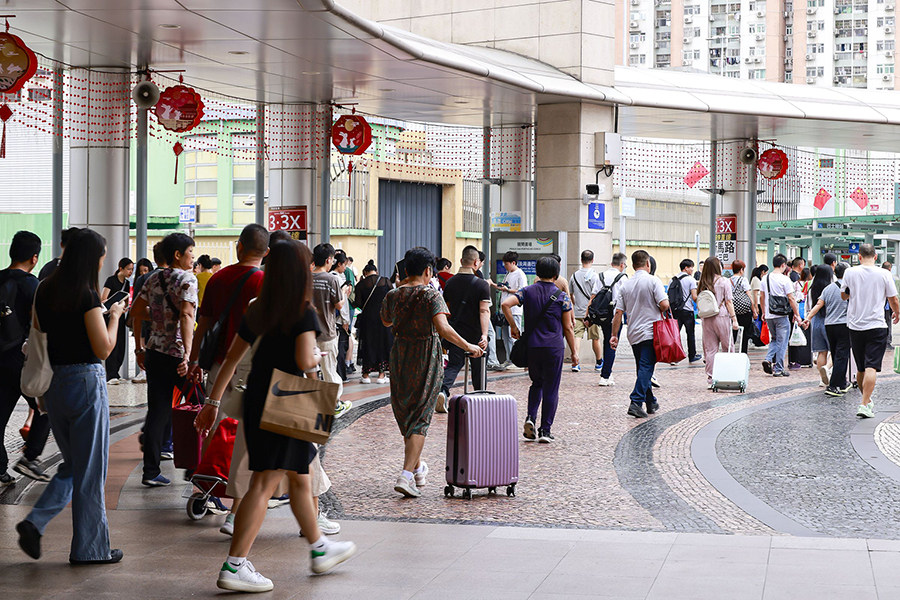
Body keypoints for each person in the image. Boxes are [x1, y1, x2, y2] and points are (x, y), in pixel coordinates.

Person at [194, 240, 357, 592]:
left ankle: (318, 549)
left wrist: (212, 403)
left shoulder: (258, 308)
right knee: (265, 483)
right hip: (289, 400)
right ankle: (235, 566)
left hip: (258, 399)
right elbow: (303, 362)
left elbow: (231, 360)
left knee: (299, 476)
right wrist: (314, 354)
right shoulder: (302, 312)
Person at [16, 228, 126, 564]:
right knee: (91, 471)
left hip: (56, 386)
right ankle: (91, 550)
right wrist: (116, 318)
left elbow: (39, 339)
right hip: (86, 383)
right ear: (91, 258)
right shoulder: (85, 294)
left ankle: (35, 522)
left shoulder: (45, 289)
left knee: (76, 465)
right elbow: (103, 349)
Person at [380, 247, 482, 498]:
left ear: (405, 271)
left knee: (406, 411)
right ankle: (405, 474)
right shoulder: (431, 295)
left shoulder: (393, 295)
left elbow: (386, 321)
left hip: (400, 354)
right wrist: (469, 346)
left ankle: (417, 468)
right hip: (425, 355)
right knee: (420, 415)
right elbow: (443, 328)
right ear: (428, 271)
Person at [188, 224, 268, 536]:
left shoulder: (219, 278)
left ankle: (204, 490)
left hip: (219, 364)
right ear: (266, 252)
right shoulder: (264, 281)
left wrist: (195, 360)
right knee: (245, 438)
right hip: (250, 367)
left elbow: (203, 323)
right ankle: (236, 509)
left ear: (238, 247)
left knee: (213, 427)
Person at [132, 232, 198, 487]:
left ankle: (150, 471)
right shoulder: (187, 279)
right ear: (177, 254)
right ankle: (194, 468)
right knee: (197, 406)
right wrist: (189, 357)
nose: (193, 258)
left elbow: (137, 311)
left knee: (158, 411)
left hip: (154, 352)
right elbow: (186, 317)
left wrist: (140, 346)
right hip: (177, 355)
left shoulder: (153, 278)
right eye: (190, 253)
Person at [502, 256, 575, 443]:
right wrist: (574, 352)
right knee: (551, 388)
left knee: (536, 384)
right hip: (554, 348)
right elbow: (568, 328)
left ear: (537, 272)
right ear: (556, 274)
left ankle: (530, 418)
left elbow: (505, 304)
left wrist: (514, 327)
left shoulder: (527, 291)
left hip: (533, 346)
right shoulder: (562, 296)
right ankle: (545, 431)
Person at [0, 231, 52, 484]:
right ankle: (30, 458)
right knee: (46, 407)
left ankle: (0, 468)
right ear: (34, 258)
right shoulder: (32, 284)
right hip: (21, 359)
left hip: (0, 359)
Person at [841, 244, 899, 418]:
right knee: (871, 366)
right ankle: (864, 404)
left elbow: (844, 295)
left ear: (859, 256)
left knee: (860, 368)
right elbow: (893, 298)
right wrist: (897, 312)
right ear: (875, 257)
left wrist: (855, 293)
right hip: (876, 325)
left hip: (855, 325)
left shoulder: (849, 272)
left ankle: (865, 400)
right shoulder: (884, 274)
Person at [610, 250, 669, 419]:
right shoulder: (653, 281)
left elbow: (618, 313)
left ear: (634, 265)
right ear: (648, 263)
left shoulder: (625, 285)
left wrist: (614, 335)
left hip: (633, 333)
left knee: (642, 367)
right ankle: (636, 402)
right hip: (651, 332)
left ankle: (651, 402)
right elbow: (664, 305)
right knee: (646, 367)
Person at [438, 246, 491, 413]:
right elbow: (484, 310)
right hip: (475, 333)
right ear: (476, 262)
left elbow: (446, 309)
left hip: (456, 333)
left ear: (461, 261)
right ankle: (479, 397)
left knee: (454, 365)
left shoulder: (450, 283)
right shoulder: (482, 285)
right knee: (479, 366)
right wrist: (484, 334)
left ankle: (443, 391)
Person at [311, 244, 352, 417]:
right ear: (329, 260)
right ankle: (334, 405)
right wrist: (345, 294)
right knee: (329, 370)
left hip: (308, 334)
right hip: (327, 333)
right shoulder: (332, 279)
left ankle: (312, 406)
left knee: (310, 372)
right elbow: (338, 304)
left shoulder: (305, 277)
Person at [803, 263, 852, 396]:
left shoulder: (828, 288)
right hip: (844, 324)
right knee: (842, 355)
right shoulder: (850, 288)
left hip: (829, 325)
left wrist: (808, 318)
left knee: (836, 354)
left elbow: (818, 304)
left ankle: (842, 383)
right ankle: (834, 385)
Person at [698, 257, 739, 388]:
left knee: (710, 350)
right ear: (718, 267)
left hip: (707, 317)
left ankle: (711, 379)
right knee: (728, 347)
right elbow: (728, 302)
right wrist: (734, 319)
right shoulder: (724, 281)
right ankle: (729, 375)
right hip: (721, 316)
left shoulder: (702, 282)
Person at [351, 260, 393, 384]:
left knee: (368, 343)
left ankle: (366, 375)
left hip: (367, 319)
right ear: (377, 271)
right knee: (383, 343)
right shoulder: (386, 281)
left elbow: (358, 304)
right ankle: (381, 375)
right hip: (383, 318)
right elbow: (392, 298)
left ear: (364, 273)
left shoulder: (361, 284)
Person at [760, 254, 801, 377]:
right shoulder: (785, 279)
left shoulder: (765, 278)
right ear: (783, 265)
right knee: (782, 342)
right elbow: (791, 298)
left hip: (769, 314)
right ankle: (779, 368)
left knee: (774, 339)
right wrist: (797, 314)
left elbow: (762, 297)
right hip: (781, 315)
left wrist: (763, 312)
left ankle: (768, 359)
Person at [130, 247, 166, 384]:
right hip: (177, 349)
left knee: (157, 393)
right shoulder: (184, 279)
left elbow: (136, 313)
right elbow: (187, 315)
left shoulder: (145, 279)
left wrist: (139, 349)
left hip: (153, 344)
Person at [490, 251, 527, 370]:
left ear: (513, 263)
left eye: (506, 264)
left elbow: (522, 291)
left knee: (513, 336)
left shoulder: (520, 274)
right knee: (506, 336)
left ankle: (515, 360)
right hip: (504, 310)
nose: (505, 266)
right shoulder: (508, 273)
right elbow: (505, 288)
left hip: (514, 310)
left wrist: (508, 290)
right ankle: (508, 358)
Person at [596, 252, 628, 386]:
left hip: (602, 314)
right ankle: (605, 375)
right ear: (622, 264)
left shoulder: (601, 276)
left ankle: (607, 373)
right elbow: (626, 297)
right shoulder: (623, 277)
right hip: (616, 315)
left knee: (606, 341)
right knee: (612, 343)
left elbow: (593, 296)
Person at [568, 249, 602, 373]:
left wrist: (575, 303)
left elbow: (570, 294)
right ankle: (598, 363)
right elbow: (597, 296)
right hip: (591, 314)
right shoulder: (595, 276)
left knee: (577, 337)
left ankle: (575, 363)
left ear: (581, 260)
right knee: (595, 338)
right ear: (592, 260)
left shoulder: (574, 275)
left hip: (577, 312)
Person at [101, 257, 134, 383]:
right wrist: (112, 304)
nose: (130, 272)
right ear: (121, 268)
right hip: (110, 316)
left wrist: (124, 307)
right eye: (128, 269)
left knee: (120, 344)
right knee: (112, 344)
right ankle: (111, 374)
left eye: (132, 269)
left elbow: (125, 299)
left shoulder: (126, 283)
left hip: (120, 315)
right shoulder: (111, 280)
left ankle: (116, 373)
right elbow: (103, 298)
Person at [807, 263, 834, 386]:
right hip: (829, 320)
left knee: (821, 352)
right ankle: (828, 370)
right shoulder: (830, 288)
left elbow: (809, 306)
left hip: (816, 320)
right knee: (835, 350)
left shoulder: (811, 289)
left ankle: (822, 380)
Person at [671, 259, 701, 363]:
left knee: (675, 334)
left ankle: (674, 358)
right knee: (690, 334)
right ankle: (692, 356)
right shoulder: (690, 280)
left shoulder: (673, 279)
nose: (692, 269)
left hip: (676, 311)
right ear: (686, 268)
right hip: (687, 311)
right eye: (691, 267)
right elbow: (694, 296)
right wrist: (700, 304)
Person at [729, 260, 756, 354]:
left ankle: (731, 351)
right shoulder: (743, 280)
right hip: (744, 311)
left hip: (733, 310)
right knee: (745, 334)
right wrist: (754, 311)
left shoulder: (728, 280)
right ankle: (743, 353)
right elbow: (749, 296)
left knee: (733, 333)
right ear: (741, 270)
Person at [749, 264, 769, 347]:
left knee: (759, 322)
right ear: (762, 272)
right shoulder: (756, 280)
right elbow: (756, 294)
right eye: (766, 272)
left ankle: (759, 339)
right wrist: (756, 307)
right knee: (758, 322)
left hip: (757, 303)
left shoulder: (755, 279)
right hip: (757, 303)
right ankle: (758, 340)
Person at [883, 261, 896, 349]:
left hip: (879, 306)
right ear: (890, 269)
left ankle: (882, 342)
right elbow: (893, 296)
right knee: (888, 324)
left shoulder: (877, 277)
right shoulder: (890, 277)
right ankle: (888, 342)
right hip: (887, 306)